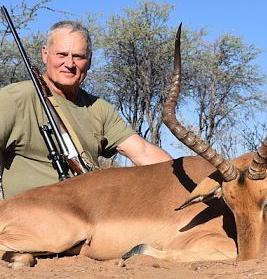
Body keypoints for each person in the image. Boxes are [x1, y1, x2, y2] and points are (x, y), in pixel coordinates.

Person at [0, 20, 172, 199]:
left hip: (89, 217)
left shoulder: (99, 108)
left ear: (89, 60)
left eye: (78, 56)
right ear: (45, 54)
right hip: (29, 221)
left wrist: (192, 175)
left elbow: (143, 152)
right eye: (61, 54)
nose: (69, 63)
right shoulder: (14, 99)